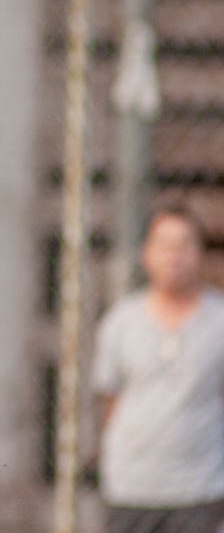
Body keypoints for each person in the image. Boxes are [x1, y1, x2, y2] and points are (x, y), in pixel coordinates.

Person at [92, 207, 224, 533]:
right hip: (131, 488)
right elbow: (109, 400)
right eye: (165, 245)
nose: (174, 257)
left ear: (202, 254)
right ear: (146, 254)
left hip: (200, 489)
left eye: (184, 245)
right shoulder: (120, 321)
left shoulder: (220, 320)